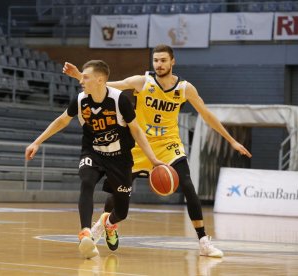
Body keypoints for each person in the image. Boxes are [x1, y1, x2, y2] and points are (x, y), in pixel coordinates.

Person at [63, 44, 252, 258]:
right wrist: (80, 75)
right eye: (156, 60)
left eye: (163, 60)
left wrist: (232, 141)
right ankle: (105, 224)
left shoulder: (184, 88)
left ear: (173, 61)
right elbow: (107, 85)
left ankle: (203, 241)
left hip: (168, 145)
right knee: (118, 195)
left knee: (188, 185)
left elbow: (206, 114)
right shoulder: (143, 82)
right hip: (138, 144)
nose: (159, 64)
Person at [25, 60, 164, 259]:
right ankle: (85, 232)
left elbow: (136, 131)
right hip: (93, 153)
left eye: (86, 77)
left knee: (122, 212)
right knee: (86, 181)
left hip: (120, 159)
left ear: (100, 80)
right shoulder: (81, 100)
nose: (82, 80)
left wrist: (153, 159)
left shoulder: (119, 101)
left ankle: (109, 223)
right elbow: (61, 120)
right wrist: (37, 142)